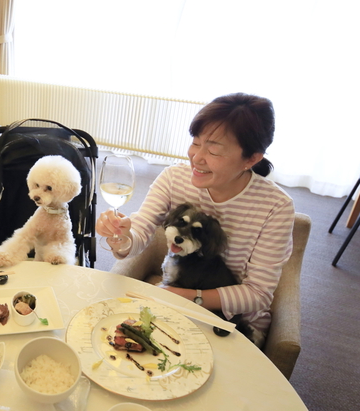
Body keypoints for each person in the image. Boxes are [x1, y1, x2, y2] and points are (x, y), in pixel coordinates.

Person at [96, 93, 295, 347]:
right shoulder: (173, 178)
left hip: (233, 323)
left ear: (252, 158)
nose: (196, 157)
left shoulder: (275, 207)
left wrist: (186, 297)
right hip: (173, 303)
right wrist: (121, 235)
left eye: (213, 150)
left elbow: (257, 294)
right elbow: (139, 233)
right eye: (195, 142)